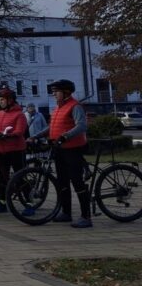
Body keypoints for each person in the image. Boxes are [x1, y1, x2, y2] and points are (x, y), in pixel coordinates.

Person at [47, 79, 92, 228]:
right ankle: (66, 213)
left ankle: (86, 216)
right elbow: (52, 127)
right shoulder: (58, 108)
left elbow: (82, 125)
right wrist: (35, 136)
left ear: (66, 92)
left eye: (56, 92)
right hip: (59, 148)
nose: (54, 94)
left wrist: (66, 135)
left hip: (73, 148)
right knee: (62, 181)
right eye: (53, 92)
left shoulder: (75, 106)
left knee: (77, 181)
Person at [0, 86, 28, 214]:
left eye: (3, 99)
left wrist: (7, 135)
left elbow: (19, 131)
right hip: (0, 149)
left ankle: (29, 203)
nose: (1, 101)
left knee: (20, 177)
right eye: (0, 99)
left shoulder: (19, 114)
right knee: (3, 178)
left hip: (16, 149)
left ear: (10, 100)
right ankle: (2, 203)